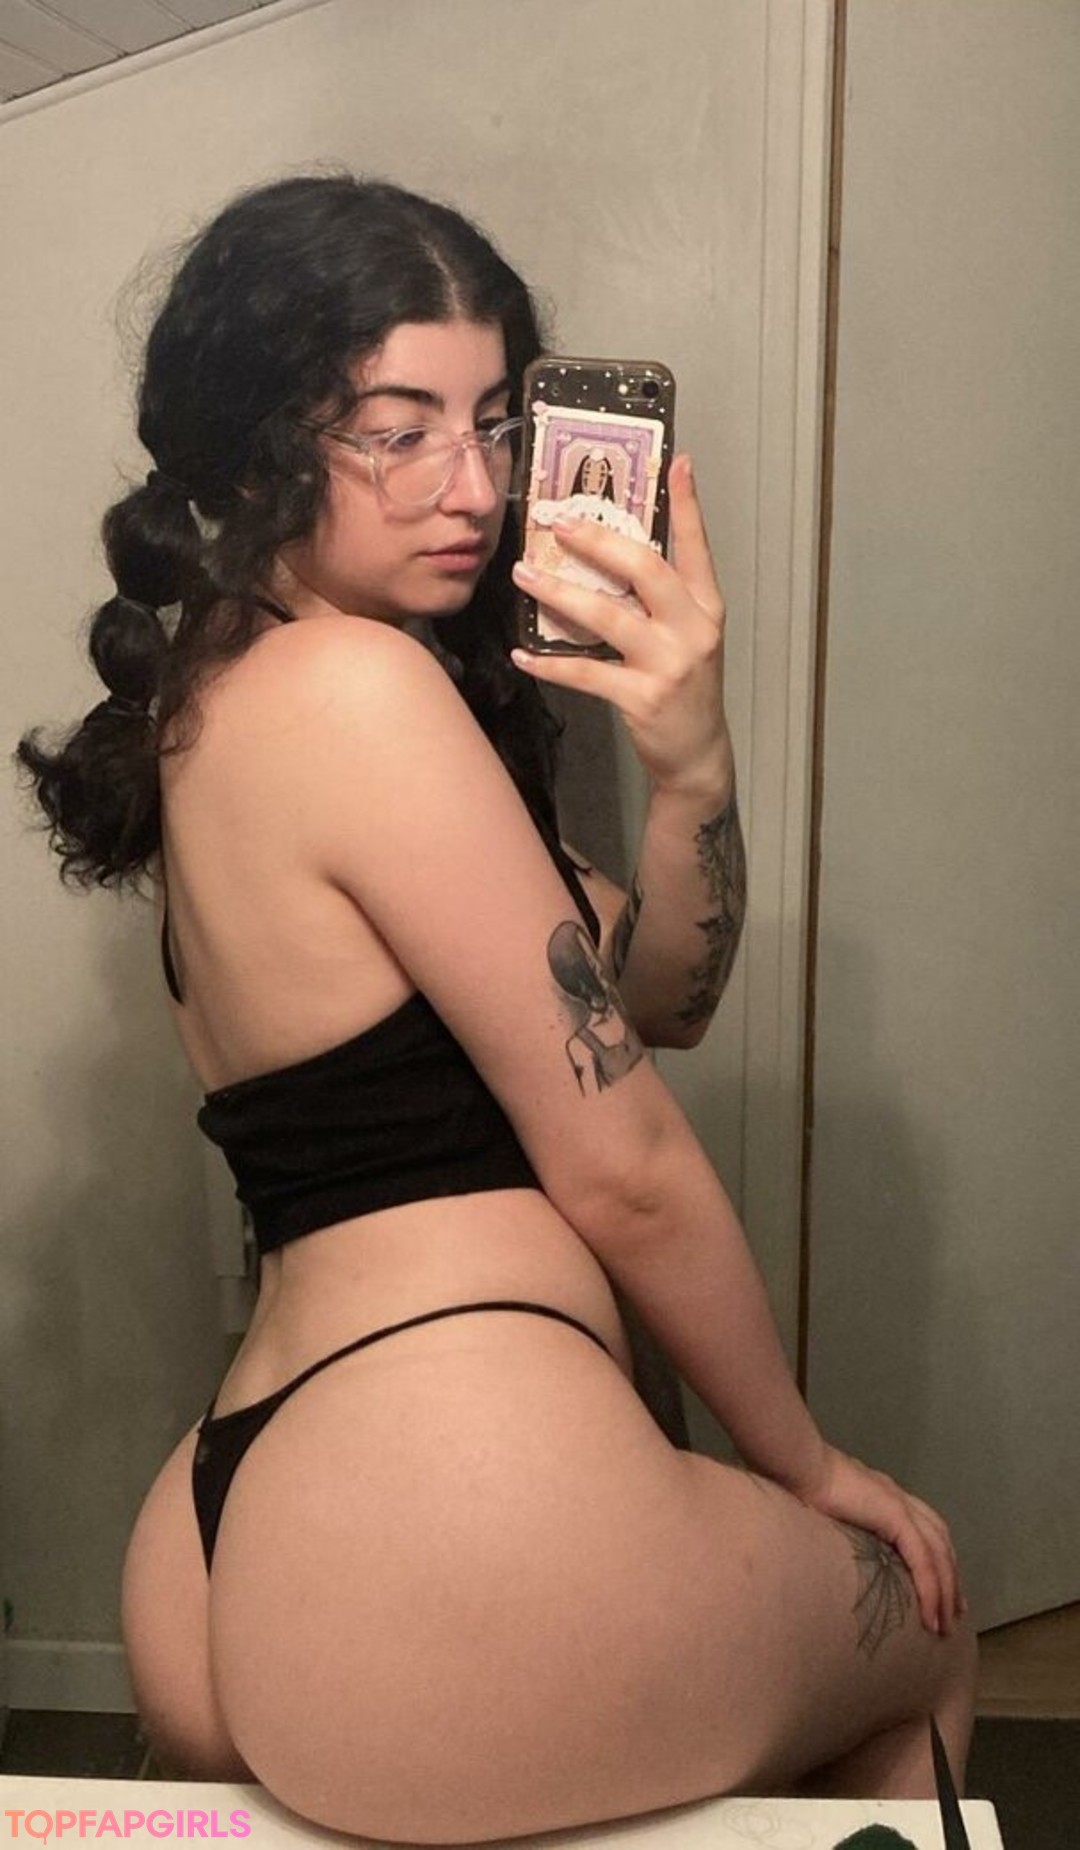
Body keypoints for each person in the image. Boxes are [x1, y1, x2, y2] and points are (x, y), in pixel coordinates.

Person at [17, 174, 975, 1846]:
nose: (474, 486)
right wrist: (807, 1461)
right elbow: (630, 1164)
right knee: (929, 1626)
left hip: (250, 1510)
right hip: (450, 1504)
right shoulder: (357, 690)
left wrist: (690, 766)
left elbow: (657, 995)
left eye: (493, 424)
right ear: (254, 447)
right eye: (400, 432)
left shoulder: (234, 695)